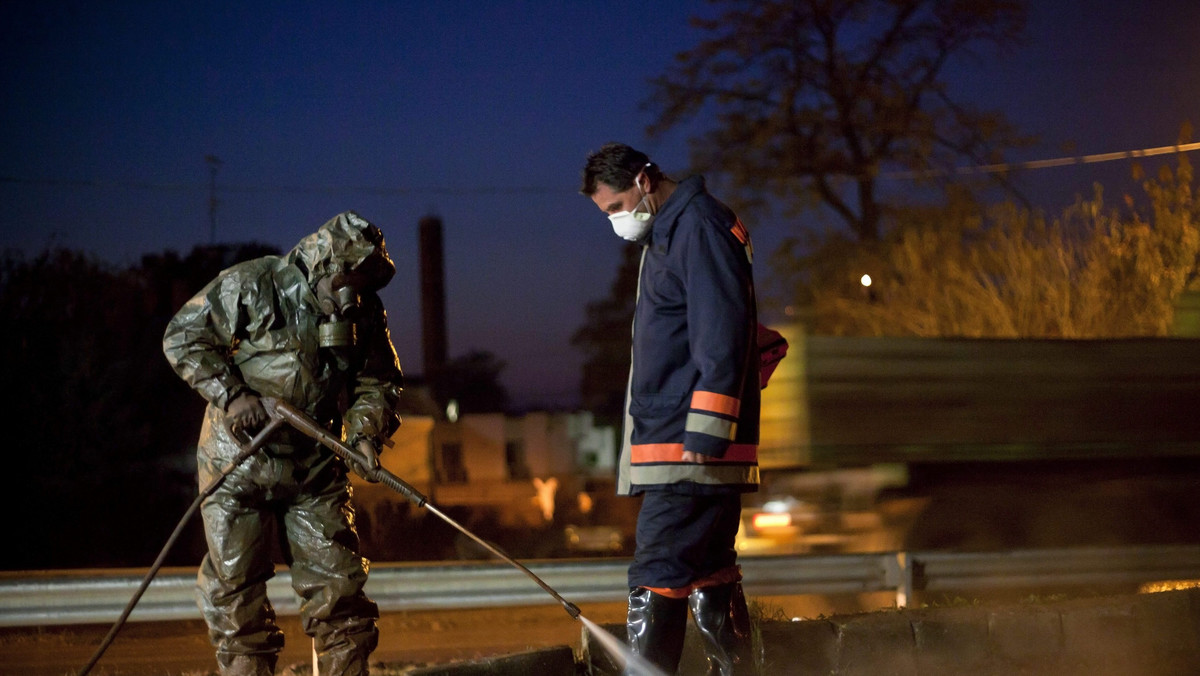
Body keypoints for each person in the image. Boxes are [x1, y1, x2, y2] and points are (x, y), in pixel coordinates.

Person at [163, 211, 405, 676]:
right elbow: (184, 336)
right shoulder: (255, 283)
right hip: (239, 464)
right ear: (322, 267)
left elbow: (377, 380)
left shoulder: (366, 311)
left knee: (341, 591)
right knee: (237, 597)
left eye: (363, 283)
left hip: (314, 466)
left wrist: (366, 435)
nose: (353, 296)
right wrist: (233, 396)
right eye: (347, 280)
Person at [580, 143, 760, 675]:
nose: (615, 221)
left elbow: (721, 334)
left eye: (615, 207)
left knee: (657, 568)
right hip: (687, 444)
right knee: (709, 570)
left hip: (688, 447)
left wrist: (707, 430)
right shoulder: (674, 231)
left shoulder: (696, 227)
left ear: (643, 180)